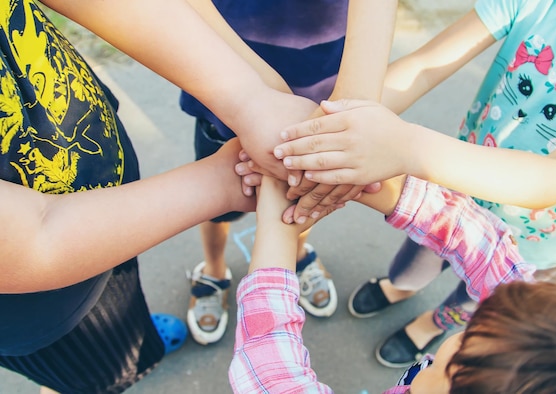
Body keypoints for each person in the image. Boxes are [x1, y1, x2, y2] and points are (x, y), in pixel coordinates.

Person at [0, 0, 342, 391]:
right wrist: (225, 180)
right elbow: (36, 239)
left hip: (101, 198)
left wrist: (252, 100)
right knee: (94, 371)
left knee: (124, 308)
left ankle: (137, 337)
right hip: (38, 304)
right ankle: (115, 363)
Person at [270, 0, 556, 367]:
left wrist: (402, 145)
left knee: (474, 301)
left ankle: (431, 323)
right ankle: (400, 287)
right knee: (411, 265)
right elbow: (423, 67)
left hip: (531, 242)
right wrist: (320, 136)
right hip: (449, 198)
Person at [230, 175, 556, 393]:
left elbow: (271, 376)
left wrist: (277, 233)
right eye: (477, 331)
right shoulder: (544, 335)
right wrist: (375, 185)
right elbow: (484, 249)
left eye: (459, 357)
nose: (456, 342)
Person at [178, 0, 397, 345]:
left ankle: (296, 253)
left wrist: (348, 120)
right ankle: (214, 269)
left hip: (322, 68)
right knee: (220, 201)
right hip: (222, 70)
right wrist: (258, 96)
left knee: (304, 188)